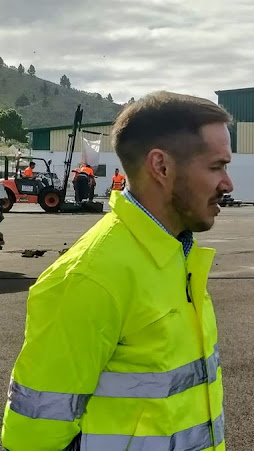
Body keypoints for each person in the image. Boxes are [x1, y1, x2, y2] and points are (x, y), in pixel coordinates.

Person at [2, 91, 234, 450]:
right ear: (161, 167)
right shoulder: (89, 277)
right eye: (216, 166)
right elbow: (32, 438)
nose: (227, 184)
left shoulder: (176, 255)